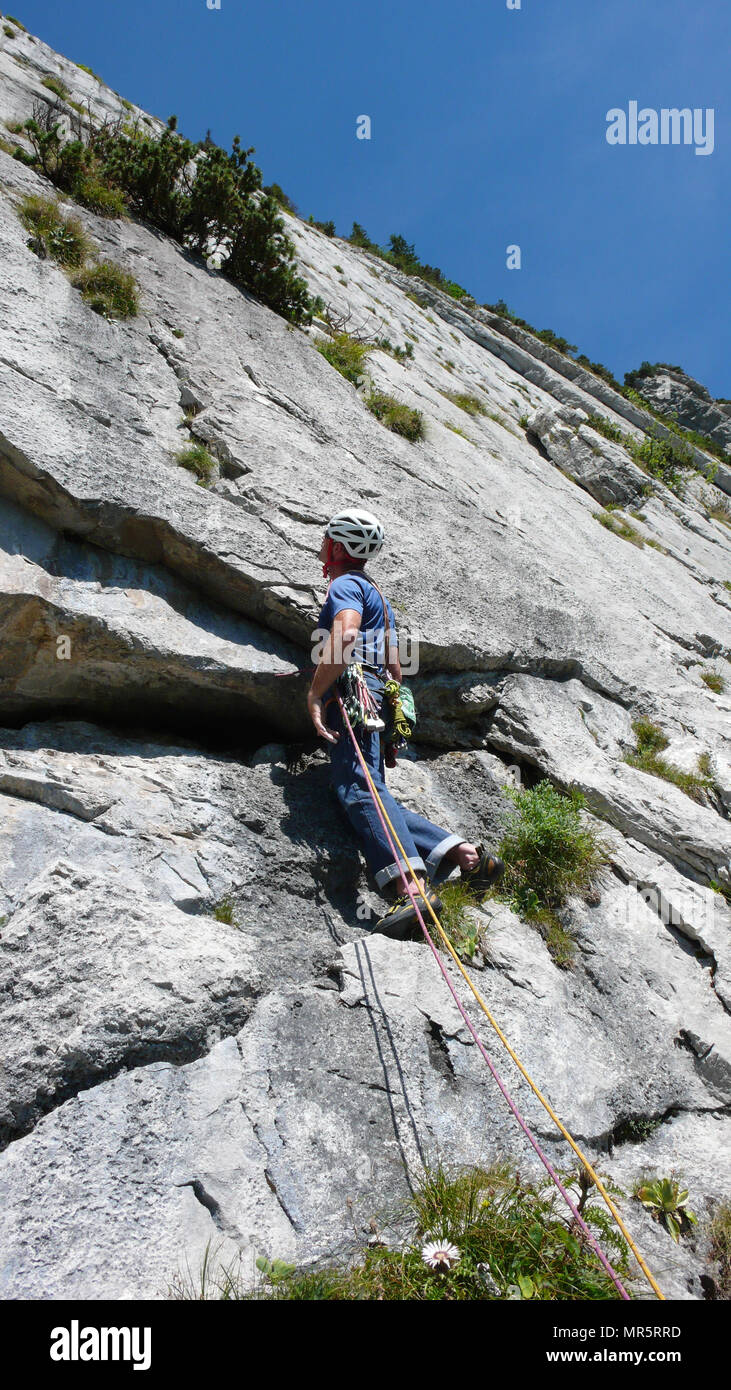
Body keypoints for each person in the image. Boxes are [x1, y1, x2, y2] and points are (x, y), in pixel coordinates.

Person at [307, 507, 503, 939]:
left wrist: (315, 692)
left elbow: (344, 636)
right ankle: (465, 855)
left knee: (357, 788)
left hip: (354, 697)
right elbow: (395, 665)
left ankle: (410, 890)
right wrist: (393, 720)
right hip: (379, 696)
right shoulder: (377, 594)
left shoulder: (345, 584)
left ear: (337, 546)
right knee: (373, 791)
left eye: (326, 540)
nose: (322, 546)